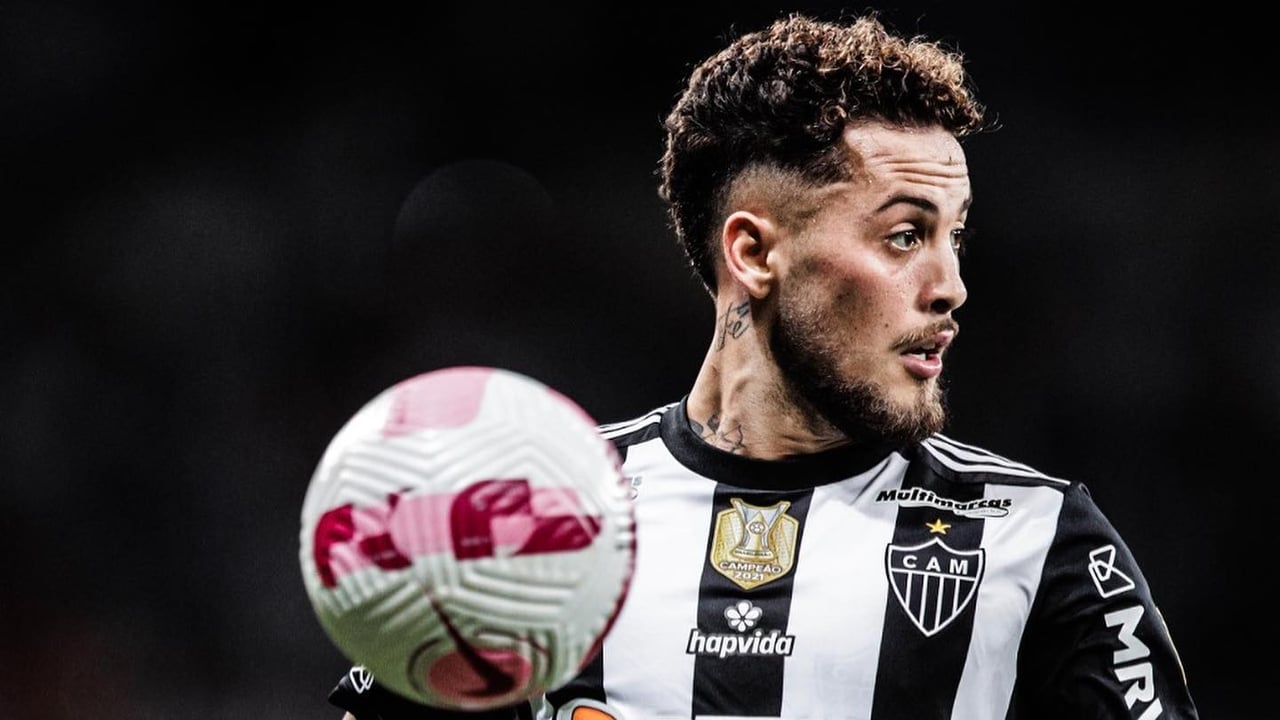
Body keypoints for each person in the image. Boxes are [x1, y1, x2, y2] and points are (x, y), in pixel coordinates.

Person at [327, 10, 1200, 719]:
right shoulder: (540, 515)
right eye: (905, 236)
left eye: (955, 236)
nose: (952, 287)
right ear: (753, 252)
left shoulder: (1038, 538)